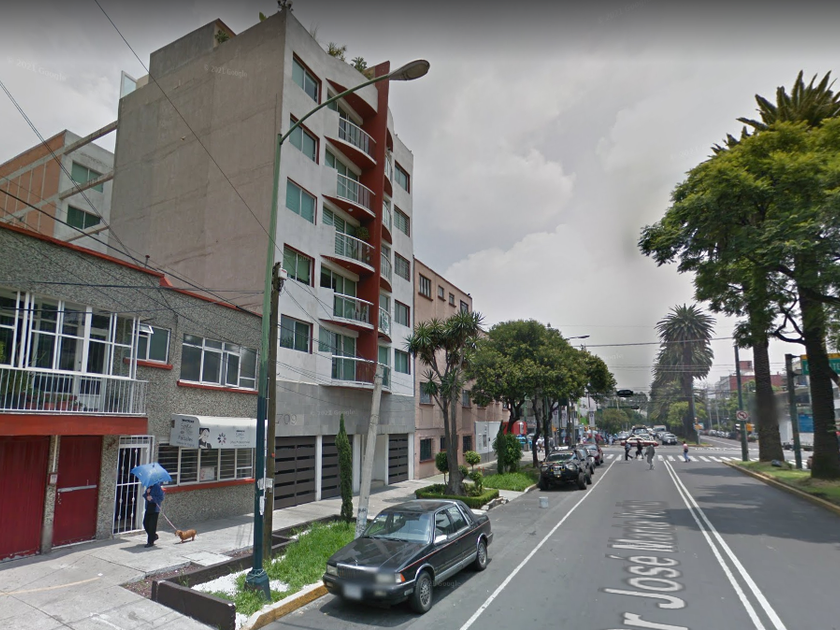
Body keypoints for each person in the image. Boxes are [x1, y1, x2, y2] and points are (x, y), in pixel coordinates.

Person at [143, 482, 165, 548]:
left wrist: (152, 498)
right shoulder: (148, 486)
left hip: (155, 509)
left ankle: (150, 542)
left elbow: (161, 498)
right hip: (148, 508)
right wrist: (147, 494)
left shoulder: (157, 487)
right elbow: (144, 495)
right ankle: (154, 536)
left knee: (152, 526)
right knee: (145, 523)